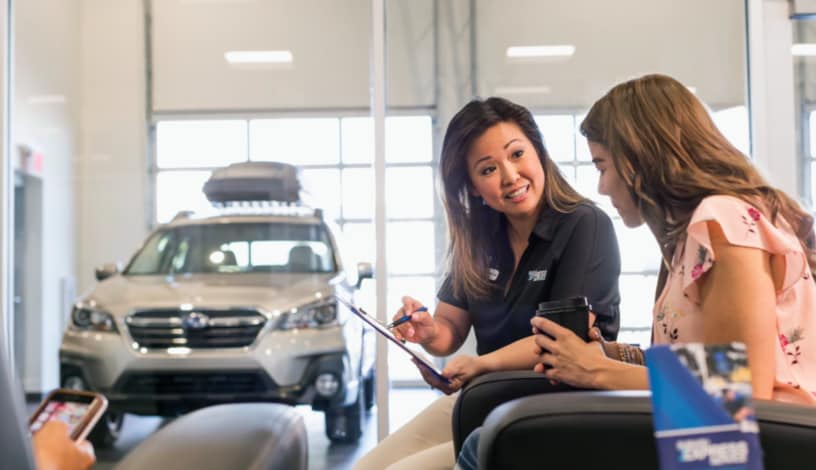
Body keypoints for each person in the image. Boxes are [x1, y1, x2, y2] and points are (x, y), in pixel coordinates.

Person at [456, 73, 816, 469]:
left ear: (639, 161)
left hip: (753, 448)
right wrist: (607, 354)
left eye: (602, 166)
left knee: (496, 443)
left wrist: (598, 371)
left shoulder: (723, 222)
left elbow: (740, 389)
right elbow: (707, 363)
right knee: (494, 439)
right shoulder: (693, 238)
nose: (602, 186)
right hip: (709, 437)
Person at [353, 97, 621, 470]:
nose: (510, 176)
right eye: (488, 169)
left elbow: (564, 339)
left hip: (549, 404)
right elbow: (450, 328)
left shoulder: (584, 224)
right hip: (485, 396)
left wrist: (482, 365)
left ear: (539, 152)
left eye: (517, 154)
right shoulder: (480, 239)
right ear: (474, 188)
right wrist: (427, 333)